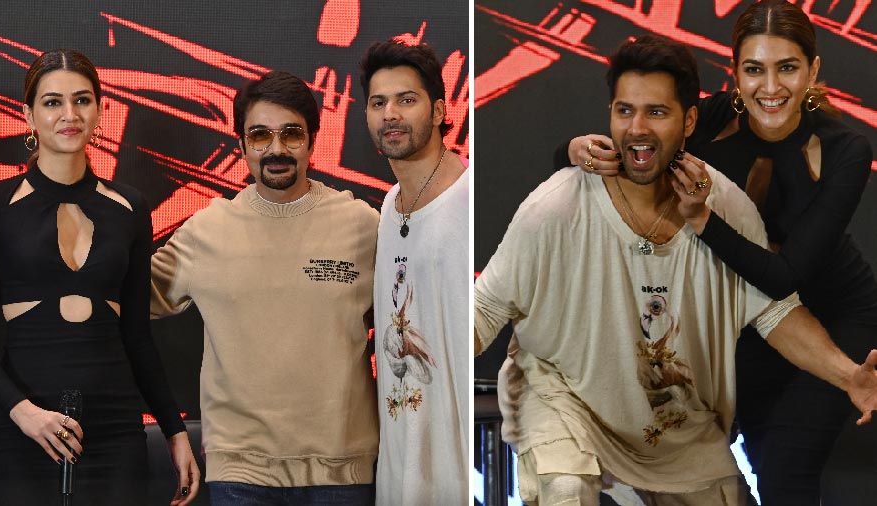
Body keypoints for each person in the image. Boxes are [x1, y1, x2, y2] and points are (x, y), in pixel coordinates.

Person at [474, 34, 877, 505]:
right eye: (624, 111)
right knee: (566, 488)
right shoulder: (557, 203)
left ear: (689, 121)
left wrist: (851, 376)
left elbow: (774, 313)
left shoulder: (726, 205)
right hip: (567, 402)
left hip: (674, 425)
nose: (637, 128)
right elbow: (486, 306)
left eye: (656, 113)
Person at [0, 49, 199, 505]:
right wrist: (22, 413)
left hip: (115, 428)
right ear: (29, 115)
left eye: (82, 100)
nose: (69, 114)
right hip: (23, 427)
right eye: (53, 102)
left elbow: (137, 336)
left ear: (100, 110)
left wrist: (175, 431)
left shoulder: (130, 207)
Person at [150, 70, 379, 505]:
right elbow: (127, 300)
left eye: (291, 133)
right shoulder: (206, 230)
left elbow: (407, 319)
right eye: (260, 135)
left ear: (313, 139)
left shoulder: (363, 225)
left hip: (343, 470)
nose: (276, 149)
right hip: (240, 471)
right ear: (241, 144)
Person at [359, 40, 469, 505]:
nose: (390, 114)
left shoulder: (468, 200)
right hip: (400, 465)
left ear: (441, 110)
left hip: (460, 465)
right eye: (378, 102)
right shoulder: (387, 207)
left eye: (407, 100)